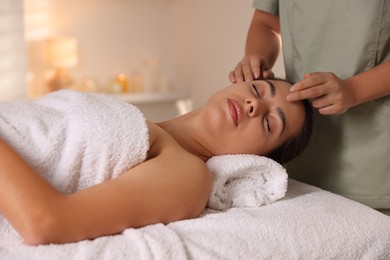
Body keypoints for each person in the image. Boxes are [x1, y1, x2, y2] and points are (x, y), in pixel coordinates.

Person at [0, 79, 313, 245]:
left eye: (271, 123)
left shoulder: (187, 173)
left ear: (256, 159)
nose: (253, 104)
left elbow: (47, 222)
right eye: (259, 90)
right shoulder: (136, 121)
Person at [229, 1, 390, 215]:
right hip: (297, 161)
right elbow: (266, 23)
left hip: (372, 162)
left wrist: (354, 90)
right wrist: (255, 60)